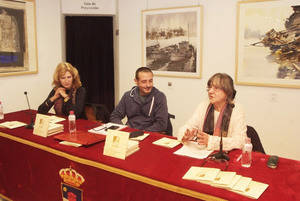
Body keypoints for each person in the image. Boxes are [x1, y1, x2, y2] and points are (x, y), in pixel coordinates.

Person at [177, 73, 247, 151]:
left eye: (216, 88)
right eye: (209, 88)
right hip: (204, 153)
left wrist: (210, 141)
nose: (210, 91)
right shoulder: (204, 105)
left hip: (226, 156)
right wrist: (186, 134)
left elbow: (240, 141)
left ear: (227, 92)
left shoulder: (236, 109)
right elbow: (189, 125)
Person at [110, 67, 168, 132]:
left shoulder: (159, 97)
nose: (148, 85)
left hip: (149, 133)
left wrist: (141, 133)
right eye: (144, 82)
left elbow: (161, 124)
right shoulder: (127, 96)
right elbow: (115, 116)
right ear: (136, 81)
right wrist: (124, 129)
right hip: (130, 131)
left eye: (150, 81)